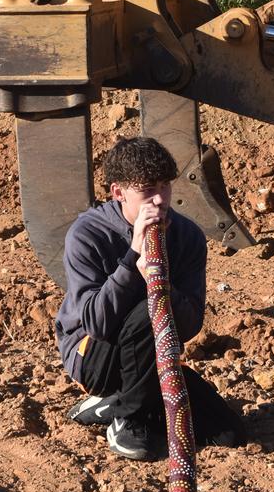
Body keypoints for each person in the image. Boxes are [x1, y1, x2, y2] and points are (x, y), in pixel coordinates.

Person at [55, 136, 246, 460]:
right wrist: (132, 261)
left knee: (226, 432)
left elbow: (189, 325)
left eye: (164, 187)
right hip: (94, 356)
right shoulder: (87, 234)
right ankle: (128, 416)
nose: (159, 200)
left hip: (153, 356)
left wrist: (163, 285)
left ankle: (114, 404)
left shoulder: (188, 236)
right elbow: (97, 324)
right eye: (146, 190)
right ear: (118, 192)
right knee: (146, 309)